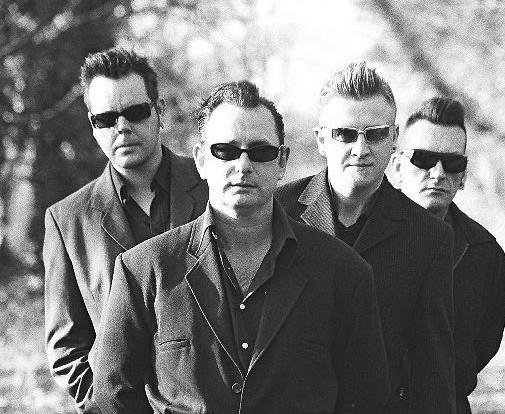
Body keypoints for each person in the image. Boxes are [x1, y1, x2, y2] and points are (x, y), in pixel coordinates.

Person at [93, 80, 390, 413]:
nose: (243, 166)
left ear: (282, 162)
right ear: (201, 160)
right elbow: (111, 400)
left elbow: (367, 401)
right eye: (226, 151)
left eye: (261, 152)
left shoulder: (343, 271)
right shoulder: (144, 270)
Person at [276, 62, 456, 414]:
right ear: (321, 140)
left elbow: (433, 370)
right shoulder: (277, 213)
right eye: (345, 134)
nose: (360, 149)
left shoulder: (429, 237)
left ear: (394, 138)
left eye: (374, 134)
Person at [43, 48, 208, 413]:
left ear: (159, 111)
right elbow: (66, 346)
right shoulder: (67, 220)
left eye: (135, 112)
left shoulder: (214, 188)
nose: (122, 127)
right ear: (93, 126)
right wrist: (105, 404)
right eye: (106, 118)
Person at [391, 97, 505, 414]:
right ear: (397, 167)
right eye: (424, 158)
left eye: (452, 162)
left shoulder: (485, 255)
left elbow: (483, 344)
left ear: (464, 175)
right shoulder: (358, 238)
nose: (438, 173)